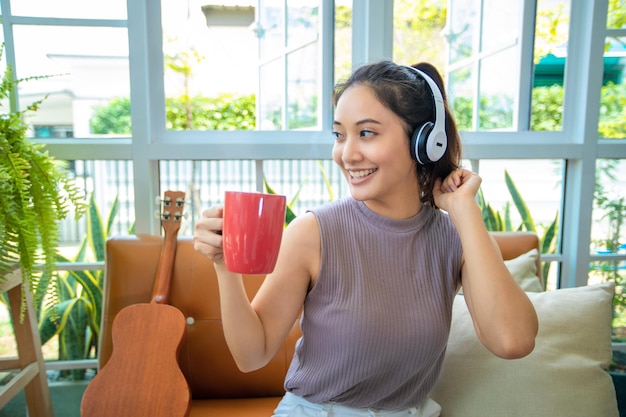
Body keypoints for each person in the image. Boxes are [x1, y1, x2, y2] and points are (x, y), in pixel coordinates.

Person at [193, 60, 538, 417]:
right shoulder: (313, 233)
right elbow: (253, 355)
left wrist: (464, 210)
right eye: (340, 135)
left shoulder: (457, 238)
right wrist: (224, 267)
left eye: (367, 133)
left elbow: (513, 341)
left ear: (425, 142)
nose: (347, 154)